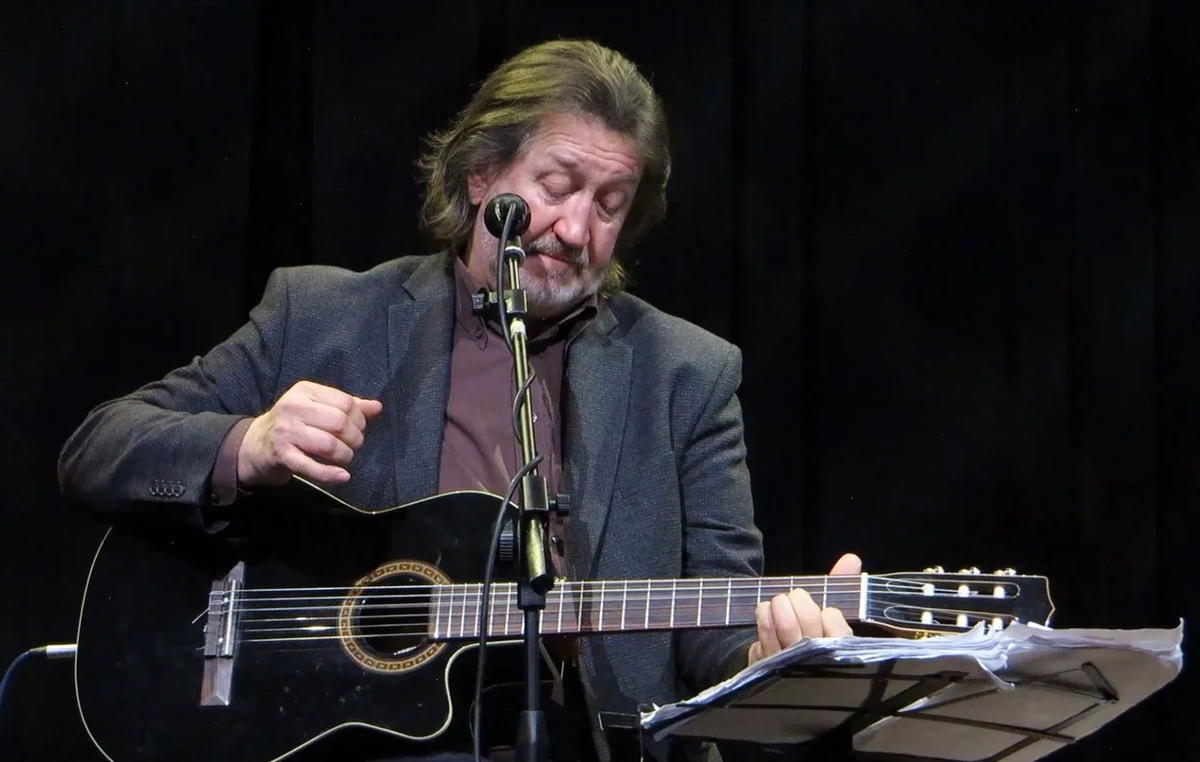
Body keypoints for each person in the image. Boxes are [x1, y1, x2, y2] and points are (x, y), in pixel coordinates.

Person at [58, 39, 862, 762]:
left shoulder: (687, 373)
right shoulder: (323, 317)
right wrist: (249, 444)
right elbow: (96, 449)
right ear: (481, 174)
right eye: (557, 186)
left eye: (609, 204)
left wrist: (766, 658)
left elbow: (715, 631)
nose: (575, 228)